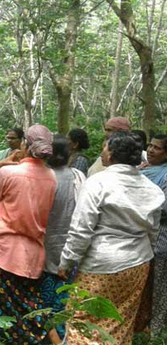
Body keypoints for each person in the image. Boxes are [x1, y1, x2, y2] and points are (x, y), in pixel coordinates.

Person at [58, 131, 164, 345]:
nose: (102, 151)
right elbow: (152, 232)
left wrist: (66, 262)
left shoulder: (98, 182)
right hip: (138, 265)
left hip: (101, 265)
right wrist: (146, 257)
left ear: (114, 153)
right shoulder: (150, 189)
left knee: (82, 321)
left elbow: (81, 228)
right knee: (119, 322)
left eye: (105, 147)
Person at [0, 124, 57, 344]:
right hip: (32, 258)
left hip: (2, 254)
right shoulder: (51, 177)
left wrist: (1, 166)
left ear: (25, 144)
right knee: (28, 312)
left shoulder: (8, 172)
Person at [41, 135, 85, 343]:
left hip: (44, 244)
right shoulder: (77, 176)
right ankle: (61, 334)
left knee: (45, 293)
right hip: (70, 244)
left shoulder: (42, 176)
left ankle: (50, 335)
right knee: (64, 293)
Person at [139, 134, 167, 335]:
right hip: (144, 239)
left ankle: (155, 332)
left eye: (156, 148)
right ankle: (142, 327)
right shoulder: (143, 169)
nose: (150, 150)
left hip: (161, 240)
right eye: (149, 145)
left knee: (159, 288)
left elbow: (163, 208)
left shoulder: (165, 175)